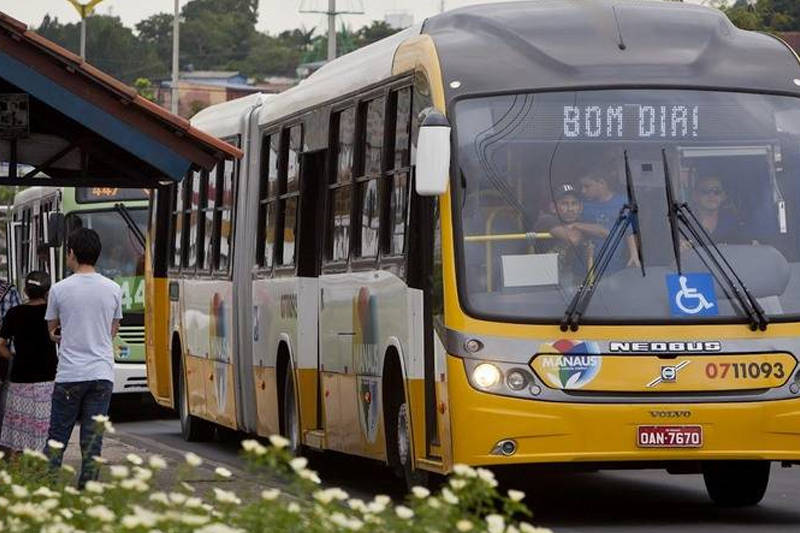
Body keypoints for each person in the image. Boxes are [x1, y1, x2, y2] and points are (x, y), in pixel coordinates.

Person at [44, 228, 123, 489]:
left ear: (72, 253)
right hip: (102, 374)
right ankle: (87, 489)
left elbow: (53, 331)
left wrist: (63, 334)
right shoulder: (113, 289)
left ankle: (47, 487)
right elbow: (113, 330)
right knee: (92, 440)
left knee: (57, 436)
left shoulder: (59, 289)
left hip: (70, 374)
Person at [0, 271, 57, 453]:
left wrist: (12, 357)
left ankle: (18, 464)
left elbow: (0, 345)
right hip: (47, 378)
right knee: (43, 427)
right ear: (47, 292)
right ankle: (41, 461)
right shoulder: (53, 314)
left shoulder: (14, 313)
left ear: (25, 290)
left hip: (20, 378)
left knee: (19, 426)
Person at [579, 173, 640, 268]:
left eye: (587, 186)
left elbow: (629, 230)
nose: (583, 191)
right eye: (582, 187)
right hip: (588, 264)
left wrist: (634, 254)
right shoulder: (583, 205)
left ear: (602, 183)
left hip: (616, 264)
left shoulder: (622, 202)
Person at [689, 175, 742, 243]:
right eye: (705, 191)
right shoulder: (684, 222)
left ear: (723, 196)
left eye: (717, 191)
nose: (711, 195)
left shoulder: (733, 224)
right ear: (695, 195)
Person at [0, 277, 22, 435]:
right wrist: (12, 357)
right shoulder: (9, 291)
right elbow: (17, 330)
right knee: (4, 403)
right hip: (3, 356)